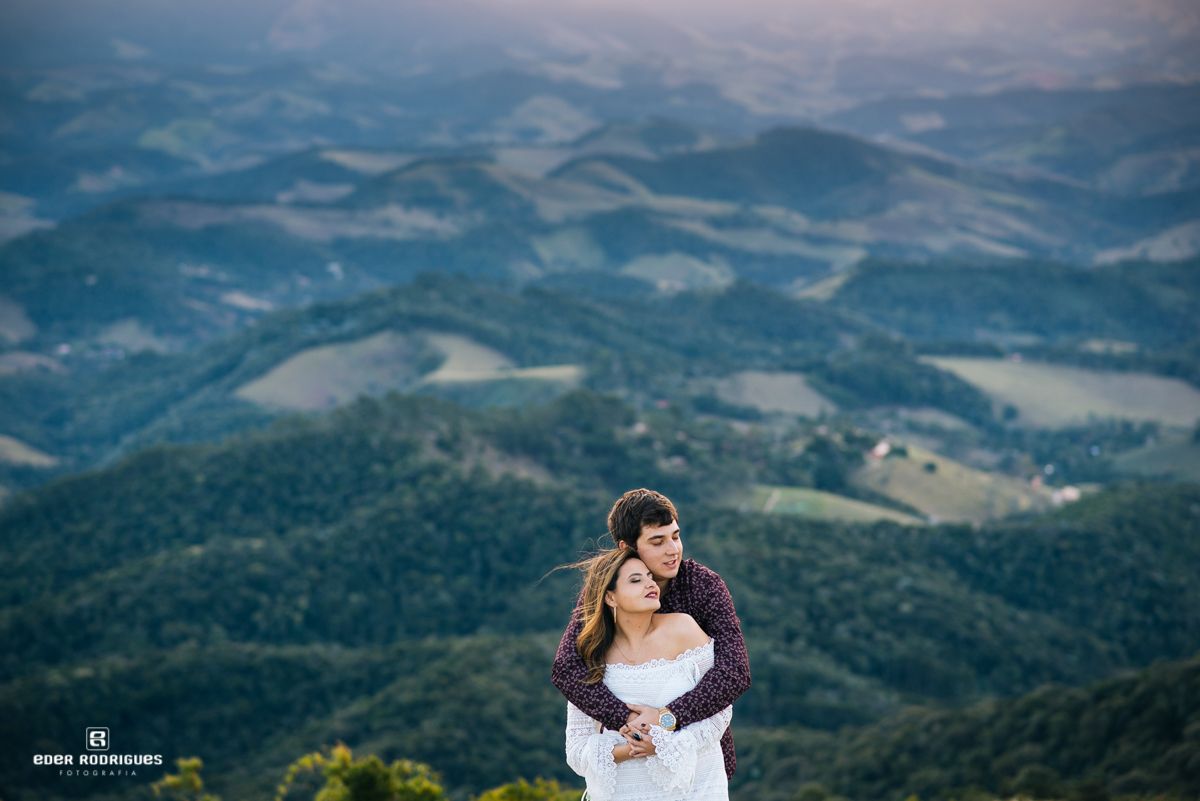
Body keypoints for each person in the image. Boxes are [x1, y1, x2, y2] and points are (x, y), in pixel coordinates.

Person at [553, 489, 751, 792]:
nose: (673, 549)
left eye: (675, 536)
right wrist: (630, 720)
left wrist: (667, 719)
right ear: (627, 547)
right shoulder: (606, 590)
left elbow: (734, 671)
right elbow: (567, 668)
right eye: (658, 542)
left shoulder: (704, 586)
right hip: (627, 773)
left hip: (697, 758)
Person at [563, 548, 731, 800]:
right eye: (635, 580)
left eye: (650, 576)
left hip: (696, 791)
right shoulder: (591, 654)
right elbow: (576, 751)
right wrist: (637, 746)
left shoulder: (684, 628)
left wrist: (665, 740)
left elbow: (720, 710)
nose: (650, 583)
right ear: (610, 597)